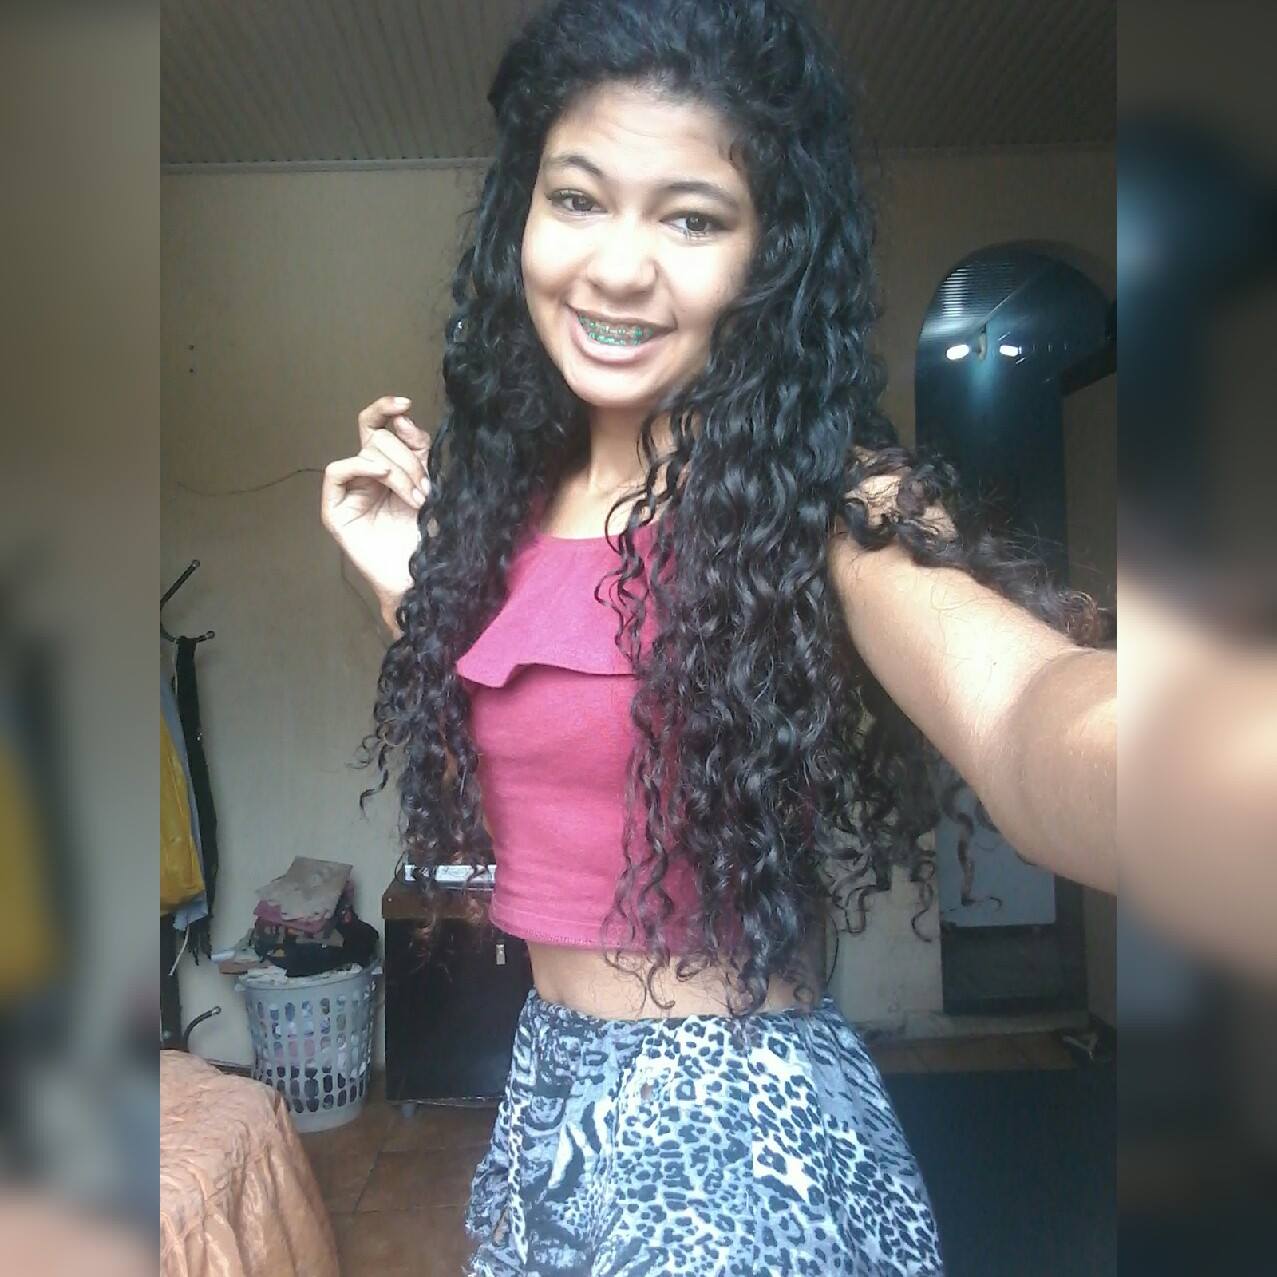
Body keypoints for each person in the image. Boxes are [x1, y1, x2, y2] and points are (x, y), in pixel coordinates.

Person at [320, 1, 1115, 1272]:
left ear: (768, 258)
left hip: (735, 1136)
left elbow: (1026, 708)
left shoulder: (822, 500)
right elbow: (560, 756)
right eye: (576, 198)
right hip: (553, 1094)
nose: (617, 267)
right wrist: (408, 589)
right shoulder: (504, 503)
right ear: (520, 214)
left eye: (690, 218)